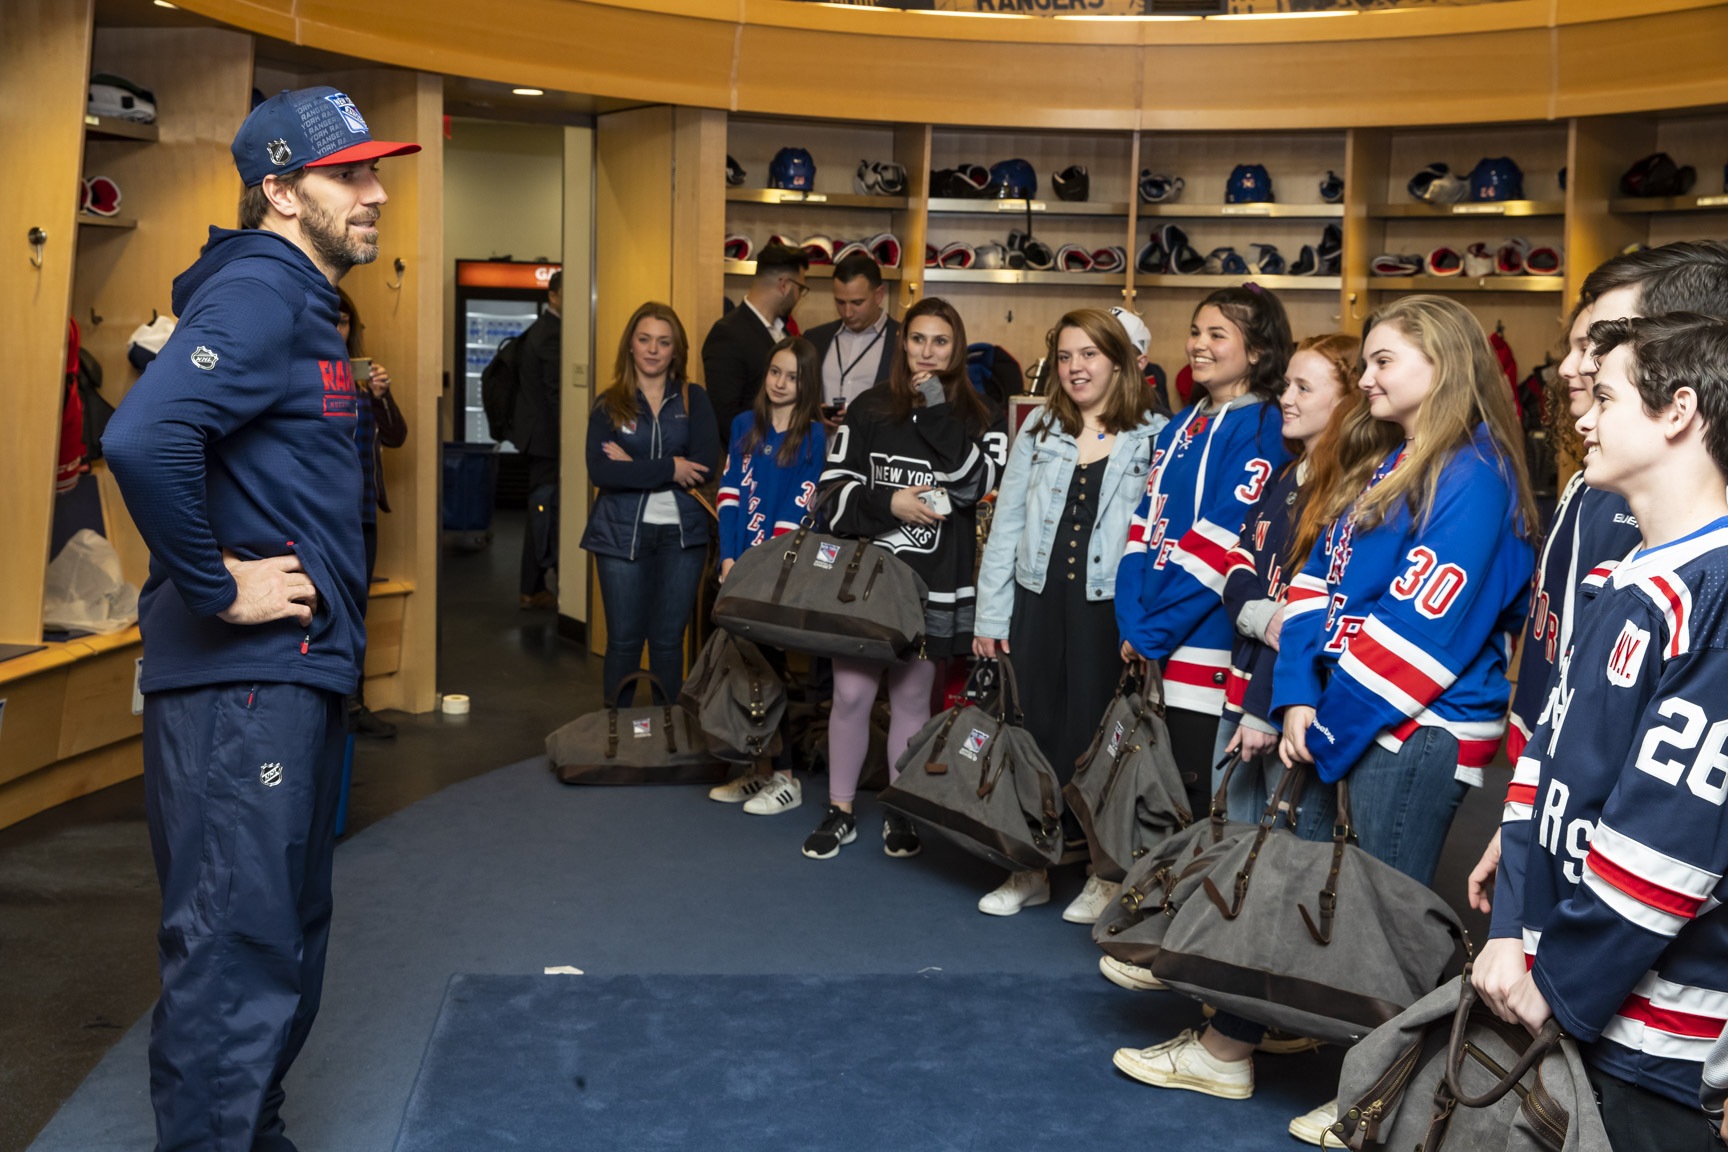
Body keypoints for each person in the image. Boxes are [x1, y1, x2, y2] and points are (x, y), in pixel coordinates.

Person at [1113, 296, 1536, 1146]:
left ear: (1442, 365)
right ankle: (1257, 1051)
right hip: (1342, 717)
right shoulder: (1396, 457)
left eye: (1384, 362)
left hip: (1415, 731)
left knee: (1391, 924)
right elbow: (1312, 588)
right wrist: (1297, 695)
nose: (1367, 378)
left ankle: (1390, 1107)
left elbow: (1422, 633)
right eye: (1368, 361)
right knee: (1315, 899)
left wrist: (1324, 725)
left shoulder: (1473, 473)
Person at [101, 86, 418, 1151]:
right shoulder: (263, 291)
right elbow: (145, 440)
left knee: (281, 938)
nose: (377, 193)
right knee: (239, 944)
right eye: (350, 176)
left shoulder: (302, 300)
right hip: (245, 681)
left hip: (293, 673)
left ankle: (253, 1132)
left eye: (376, 171)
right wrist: (217, 584)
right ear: (280, 191)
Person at [1474, 313, 1728, 1152]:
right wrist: (1511, 928)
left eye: (1607, 397)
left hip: (1655, 1033)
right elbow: (1543, 765)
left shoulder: (1714, 597)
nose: (1581, 415)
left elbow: (1673, 838)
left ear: (1678, 411)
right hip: (1557, 984)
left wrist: (1561, 979)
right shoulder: (1626, 572)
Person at [1469, 241, 1728, 915]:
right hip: (1552, 793)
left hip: (1621, 855)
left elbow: (1669, 814)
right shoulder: (1604, 476)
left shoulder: (1676, 516)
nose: (1576, 367)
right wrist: (1527, 823)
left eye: (1603, 347)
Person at [970, 308, 1167, 918]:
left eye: (1089, 354)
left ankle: (1104, 871)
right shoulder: (1039, 429)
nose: (1076, 367)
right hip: (1035, 598)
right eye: (1065, 356)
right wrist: (990, 616)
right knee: (1029, 730)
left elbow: (1158, 535)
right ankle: (1030, 865)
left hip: (1105, 609)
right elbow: (1004, 526)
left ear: (1119, 361)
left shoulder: (1156, 434)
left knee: (1099, 736)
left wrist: (1144, 624)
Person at [803, 296, 1009, 859]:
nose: (927, 351)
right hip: (866, 581)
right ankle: (839, 809)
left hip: (934, 582)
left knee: (913, 701)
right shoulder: (870, 408)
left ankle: (899, 809)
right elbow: (829, 496)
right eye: (918, 339)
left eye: (940, 341)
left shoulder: (980, 413)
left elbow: (975, 489)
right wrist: (889, 501)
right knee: (850, 693)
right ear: (903, 343)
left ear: (956, 349)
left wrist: (937, 405)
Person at [1115, 285, 1295, 820]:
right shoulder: (1181, 422)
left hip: (1205, 645)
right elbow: (1142, 526)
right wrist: (1130, 618)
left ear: (1257, 351)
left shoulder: (1263, 426)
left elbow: (1221, 545)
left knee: (1192, 798)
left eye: (1218, 334)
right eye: (1196, 331)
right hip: (1151, 634)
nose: (1199, 344)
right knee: (1145, 787)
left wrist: (1151, 630)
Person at [1216, 333, 1361, 819]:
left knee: (1271, 854)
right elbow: (1238, 561)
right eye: (1286, 385)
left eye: (1304, 388)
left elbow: (1309, 619)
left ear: (1347, 403)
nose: (1285, 398)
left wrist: (1262, 707)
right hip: (1243, 681)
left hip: (1283, 704)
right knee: (1229, 843)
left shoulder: (1350, 492)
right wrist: (1259, 616)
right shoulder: (1286, 476)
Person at [579, 302, 720, 705]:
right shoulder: (609, 403)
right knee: (623, 641)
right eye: (644, 339)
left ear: (677, 350)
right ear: (630, 345)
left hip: (682, 538)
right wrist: (669, 467)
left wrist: (636, 466)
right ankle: (617, 735)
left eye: (663, 342)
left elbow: (704, 467)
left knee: (668, 642)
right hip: (619, 536)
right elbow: (602, 473)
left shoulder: (695, 399)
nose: (653, 350)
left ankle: (667, 738)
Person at [709, 336, 827, 815]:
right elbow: (730, 494)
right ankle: (756, 771)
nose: (780, 383)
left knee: (774, 670)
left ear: (807, 384)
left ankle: (786, 778)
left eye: (793, 376)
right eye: (775, 372)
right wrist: (729, 558)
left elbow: (801, 503)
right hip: (740, 568)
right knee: (747, 668)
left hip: (781, 571)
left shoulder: (815, 435)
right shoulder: (744, 425)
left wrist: (763, 566)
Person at [336, 288, 406, 739]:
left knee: (356, 612)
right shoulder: (300, 372)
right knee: (323, 611)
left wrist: (381, 395)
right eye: (328, 320)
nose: (335, 329)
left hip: (360, 514)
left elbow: (396, 436)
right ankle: (325, 705)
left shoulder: (363, 378)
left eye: (342, 321)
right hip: (317, 517)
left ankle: (353, 703)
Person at [702, 243, 809, 437]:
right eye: (800, 288)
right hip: (754, 455)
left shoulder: (785, 331)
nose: (800, 297)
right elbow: (726, 418)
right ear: (784, 285)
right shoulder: (727, 334)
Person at [515, 270, 563, 609]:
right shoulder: (552, 334)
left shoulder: (542, 329)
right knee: (543, 511)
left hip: (537, 438)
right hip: (547, 441)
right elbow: (556, 392)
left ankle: (534, 586)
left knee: (541, 510)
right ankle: (532, 588)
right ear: (554, 296)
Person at [803, 251, 900, 418]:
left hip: (876, 443)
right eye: (840, 302)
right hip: (824, 442)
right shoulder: (814, 339)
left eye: (857, 303)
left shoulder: (903, 340)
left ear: (878, 295)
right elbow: (799, 397)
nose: (847, 313)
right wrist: (815, 414)